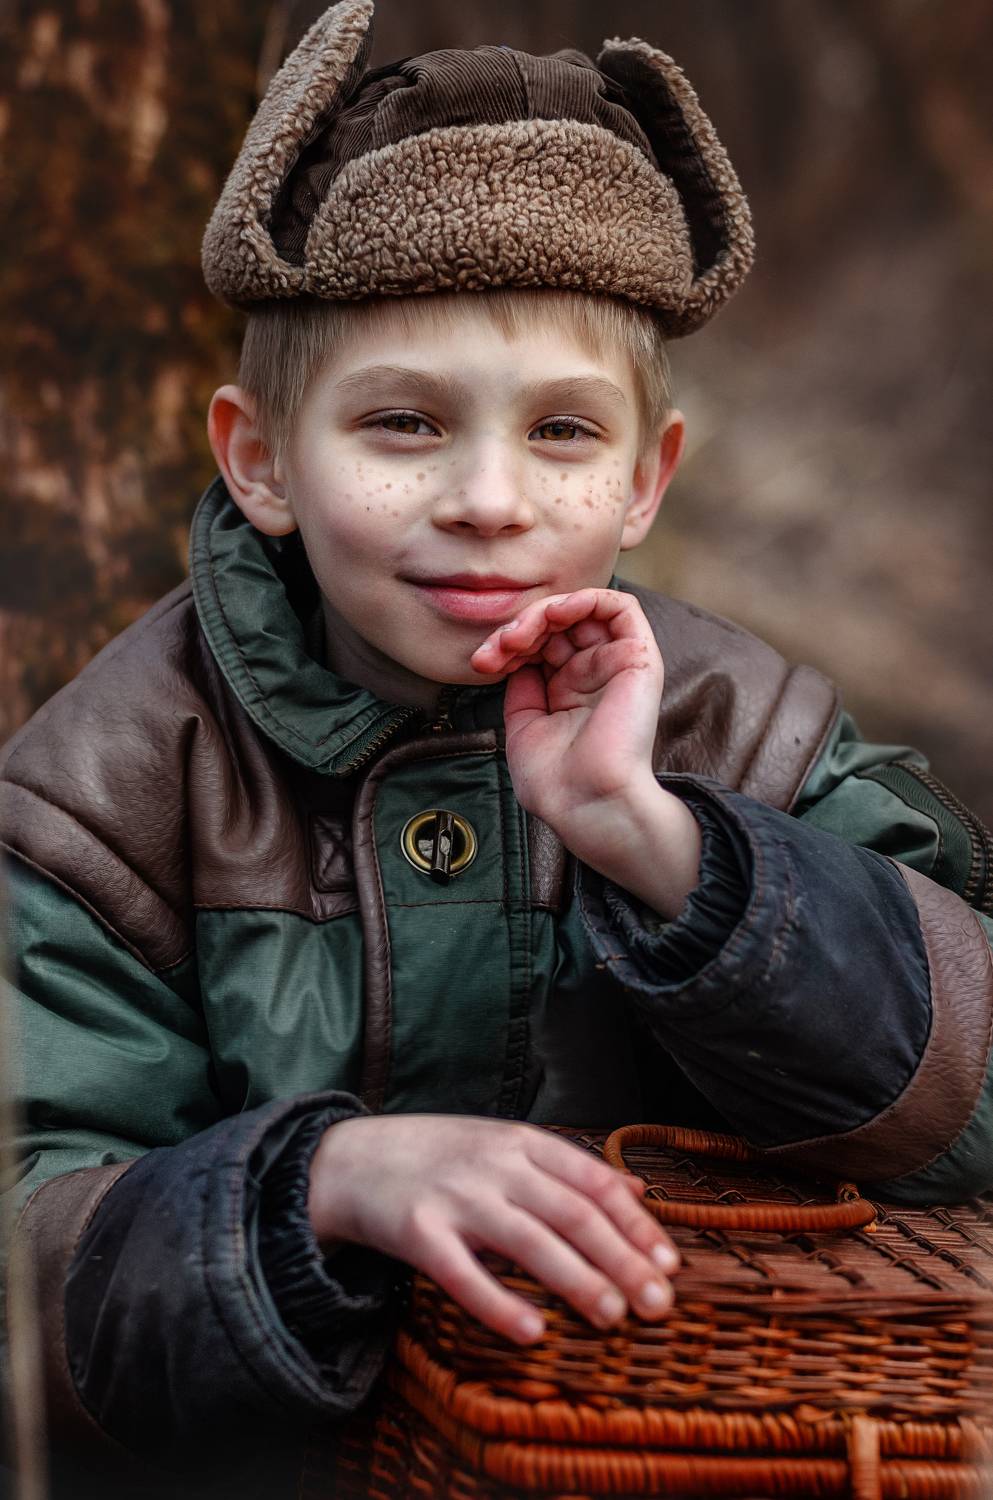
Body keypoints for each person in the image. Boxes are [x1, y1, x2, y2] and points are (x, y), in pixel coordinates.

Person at [3, 1, 993, 1495]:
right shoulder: (108, 786)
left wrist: (673, 853)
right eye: (402, 425)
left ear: (646, 478)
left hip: (677, 1445)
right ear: (261, 460)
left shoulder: (747, 730)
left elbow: (972, 1116)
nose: (487, 499)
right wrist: (313, 1185)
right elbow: (27, 1263)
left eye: (562, 433)